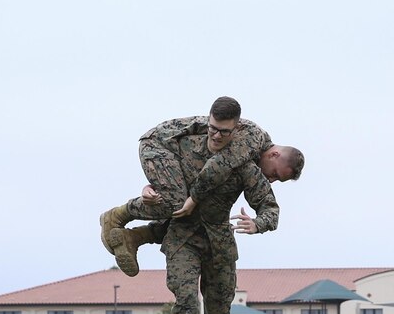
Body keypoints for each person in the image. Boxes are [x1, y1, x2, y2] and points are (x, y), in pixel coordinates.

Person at [141, 115, 280, 314]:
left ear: (234, 133)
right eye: (213, 130)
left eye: (224, 133)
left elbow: (269, 206)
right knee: (187, 302)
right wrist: (148, 192)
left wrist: (258, 223)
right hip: (183, 238)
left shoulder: (243, 164)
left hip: (219, 245)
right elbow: (160, 178)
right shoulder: (185, 146)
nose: (216, 137)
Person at [100, 97, 303, 277]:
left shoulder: (251, 156)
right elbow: (217, 166)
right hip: (159, 145)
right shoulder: (250, 140)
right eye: (275, 174)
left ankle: (135, 237)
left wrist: (258, 223)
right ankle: (117, 215)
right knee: (178, 203)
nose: (271, 180)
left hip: (174, 154)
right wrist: (193, 198)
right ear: (274, 155)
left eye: (277, 180)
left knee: (193, 210)